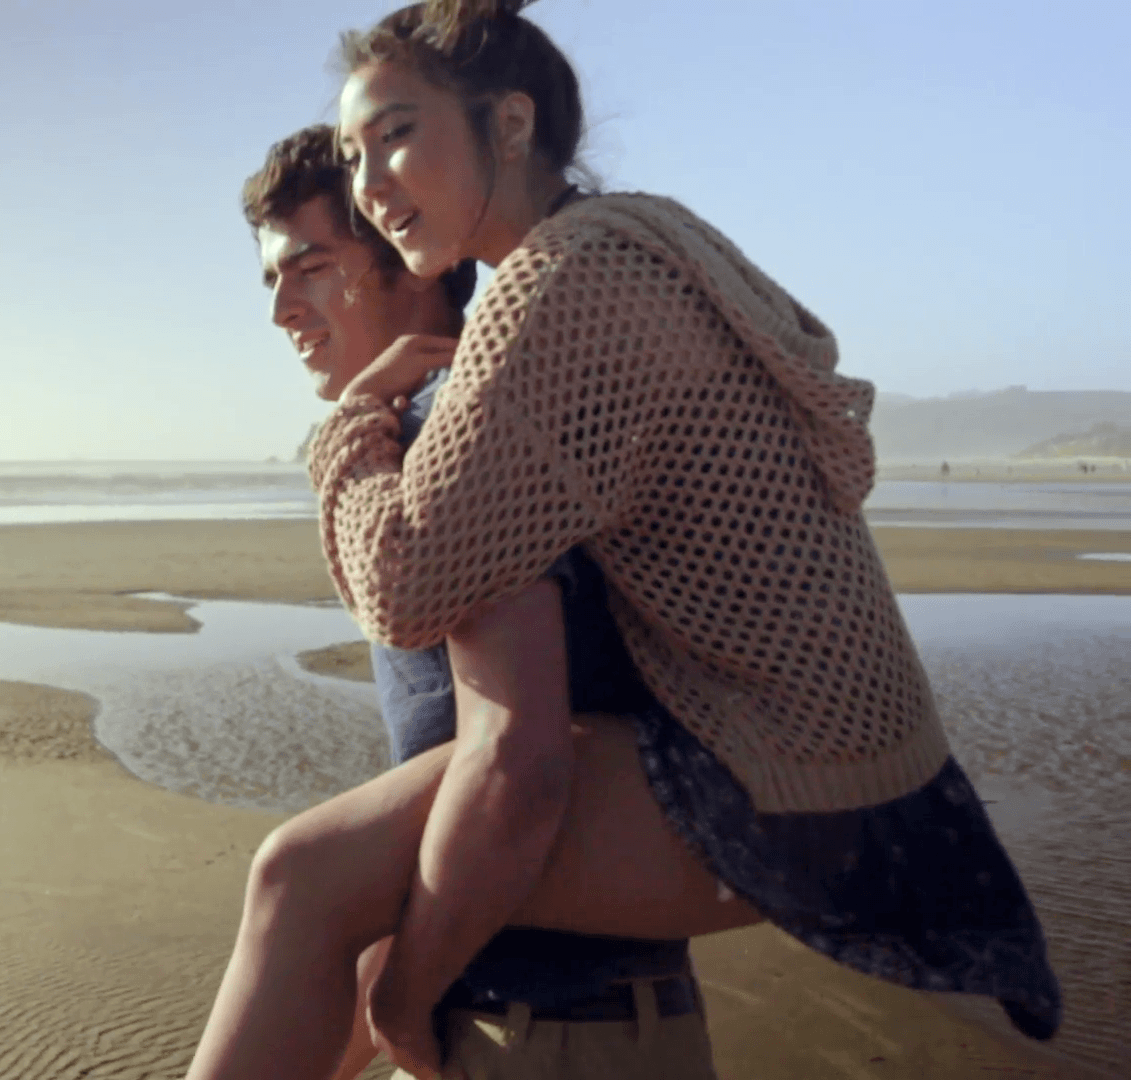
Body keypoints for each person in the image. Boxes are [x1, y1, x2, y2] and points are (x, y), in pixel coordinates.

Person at [310, 0, 1061, 1074]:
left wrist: (347, 433)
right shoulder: (643, 239)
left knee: (305, 881)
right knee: (332, 887)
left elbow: (403, 581)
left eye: (395, 132)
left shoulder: (559, 281)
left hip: (796, 776)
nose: (370, 182)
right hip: (881, 767)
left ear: (509, 124)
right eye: (350, 153)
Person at [237, 124, 723, 1080]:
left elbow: (516, 767)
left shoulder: (463, 437)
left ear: (405, 256)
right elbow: (426, 841)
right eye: (270, 281)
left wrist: (403, 999)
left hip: (553, 1041)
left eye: (311, 268)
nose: (282, 309)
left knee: (290, 873)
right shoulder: (444, 425)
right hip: (547, 1025)